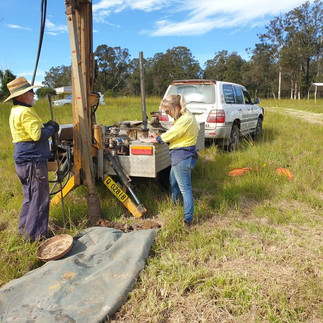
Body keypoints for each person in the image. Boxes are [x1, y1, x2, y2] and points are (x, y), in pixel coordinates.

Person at [4, 76, 59, 242]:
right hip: (33, 161)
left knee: (29, 197)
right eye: (30, 91)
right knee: (40, 199)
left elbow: (30, 130)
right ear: (21, 96)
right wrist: (52, 128)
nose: (34, 94)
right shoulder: (26, 111)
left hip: (23, 159)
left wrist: (46, 126)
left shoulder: (16, 111)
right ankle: (35, 237)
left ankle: (24, 231)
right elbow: (37, 135)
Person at [151, 94, 199, 225]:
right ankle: (174, 205)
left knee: (185, 189)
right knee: (173, 182)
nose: (167, 114)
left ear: (176, 108)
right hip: (182, 156)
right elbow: (176, 133)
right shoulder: (184, 118)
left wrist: (157, 138)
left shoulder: (185, 120)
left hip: (182, 157)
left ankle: (188, 219)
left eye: (168, 111)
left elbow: (172, 134)